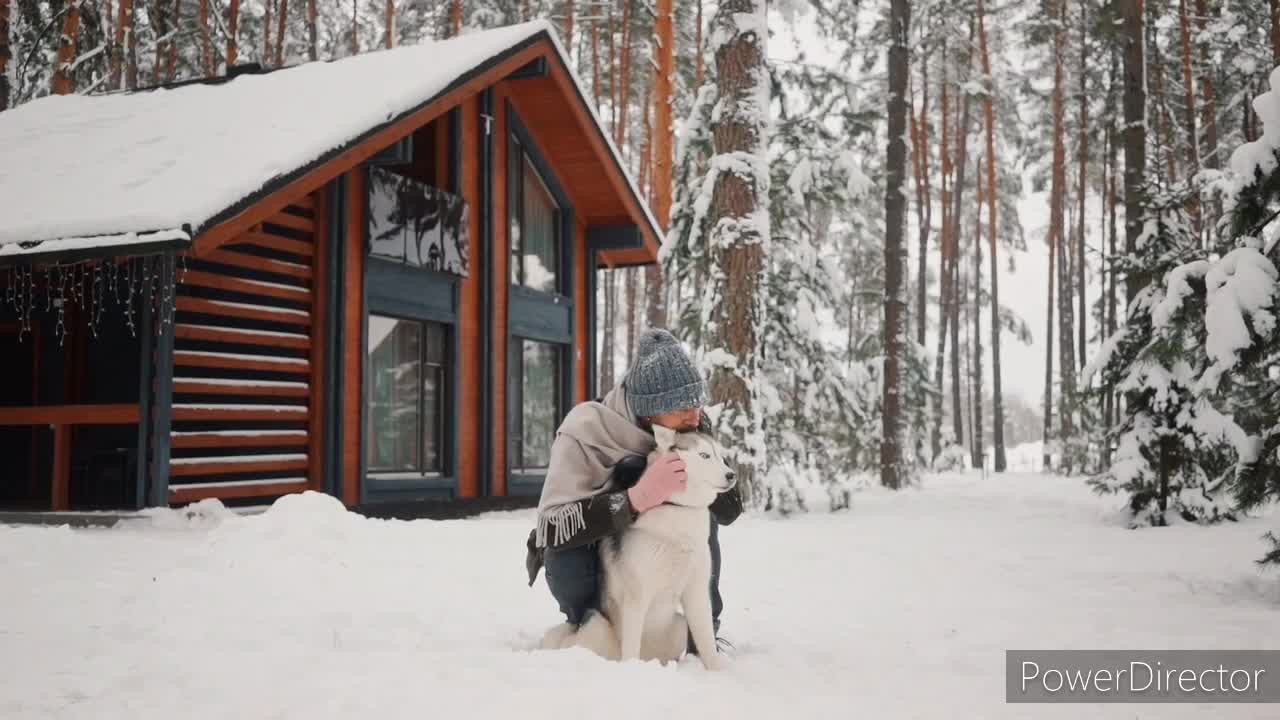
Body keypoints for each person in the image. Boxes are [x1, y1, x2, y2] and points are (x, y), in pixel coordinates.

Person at [525, 328, 742, 649]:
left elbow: (730, 510)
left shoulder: (691, 427)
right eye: (681, 407)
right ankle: (590, 622)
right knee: (568, 557)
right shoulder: (585, 431)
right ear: (647, 410)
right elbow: (555, 528)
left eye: (697, 403)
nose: (694, 415)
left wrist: (699, 473)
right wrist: (637, 497)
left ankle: (701, 629)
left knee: (696, 510)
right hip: (590, 551)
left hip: (656, 550)